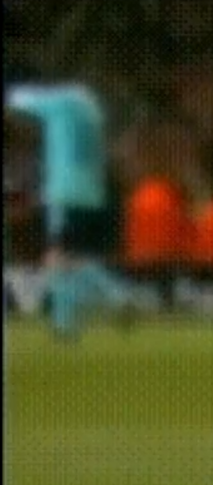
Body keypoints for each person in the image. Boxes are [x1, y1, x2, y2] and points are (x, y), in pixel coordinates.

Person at [5, 84, 134, 341]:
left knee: (58, 256)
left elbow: (19, 99)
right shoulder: (92, 112)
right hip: (92, 190)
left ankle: (114, 297)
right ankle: (66, 324)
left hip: (63, 190)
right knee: (67, 255)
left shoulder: (60, 106)